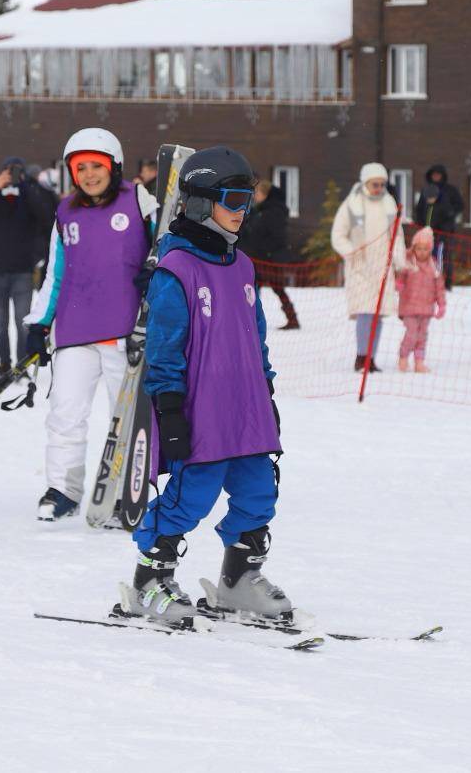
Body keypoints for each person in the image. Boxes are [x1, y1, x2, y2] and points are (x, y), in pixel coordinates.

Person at [119, 146, 286, 627]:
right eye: (233, 200)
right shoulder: (176, 270)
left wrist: (267, 395)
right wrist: (170, 412)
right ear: (197, 203)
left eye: (247, 200)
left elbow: (257, 341)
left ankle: (238, 582)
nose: (243, 211)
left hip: (247, 410)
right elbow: (164, 349)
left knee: (259, 491)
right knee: (189, 499)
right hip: (202, 412)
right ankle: (149, 581)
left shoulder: (244, 267)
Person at [24, 128, 158, 522]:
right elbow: (55, 273)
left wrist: (158, 276)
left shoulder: (140, 201)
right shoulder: (65, 212)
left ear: (113, 166)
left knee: (129, 420)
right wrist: (39, 322)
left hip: (126, 332)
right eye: (79, 167)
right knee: (65, 413)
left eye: (95, 166)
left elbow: (165, 251)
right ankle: (63, 489)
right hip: (75, 330)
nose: (87, 174)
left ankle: (128, 493)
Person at [0, 155, 52, 375]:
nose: (13, 174)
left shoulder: (28, 198)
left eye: (17, 171)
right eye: (9, 170)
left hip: (22, 273)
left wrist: (25, 186)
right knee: (0, 323)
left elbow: (45, 215)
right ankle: (4, 363)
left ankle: (21, 364)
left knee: (22, 322)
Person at [330, 163, 406, 372]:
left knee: (378, 313)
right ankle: (361, 356)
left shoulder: (389, 203)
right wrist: (351, 250)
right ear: (365, 183)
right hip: (360, 266)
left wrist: (400, 261)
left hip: (383, 266)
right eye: (375, 184)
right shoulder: (351, 204)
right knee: (365, 312)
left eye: (382, 184)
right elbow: (338, 234)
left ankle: (371, 357)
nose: (379, 188)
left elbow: (397, 236)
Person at [241, 180, 299, 331]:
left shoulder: (273, 211)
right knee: (253, 288)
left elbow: (276, 236)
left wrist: (265, 250)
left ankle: (292, 319)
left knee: (278, 288)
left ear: (266, 195)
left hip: (270, 259)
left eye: (258, 193)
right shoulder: (258, 210)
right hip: (258, 258)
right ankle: (251, 319)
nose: (255, 197)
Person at [395, 227, 444, 372]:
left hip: (426, 308)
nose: (422, 252)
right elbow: (400, 278)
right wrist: (399, 284)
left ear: (430, 250)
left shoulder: (434, 267)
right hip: (409, 307)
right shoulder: (408, 264)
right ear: (414, 248)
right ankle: (403, 357)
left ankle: (419, 361)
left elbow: (439, 288)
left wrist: (441, 305)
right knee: (411, 334)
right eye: (419, 248)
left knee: (422, 336)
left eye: (426, 249)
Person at [413, 164, 464, 286]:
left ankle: (446, 281)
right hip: (427, 232)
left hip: (445, 232)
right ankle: (426, 279)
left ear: (442, 176)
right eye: (433, 174)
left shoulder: (450, 190)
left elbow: (460, 205)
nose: (436, 176)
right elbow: (419, 209)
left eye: (438, 174)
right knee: (426, 256)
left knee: (445, 257)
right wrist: (420, 224)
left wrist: (451, 214)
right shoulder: (426, 190)